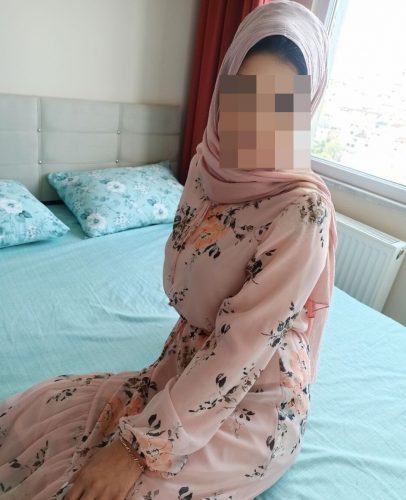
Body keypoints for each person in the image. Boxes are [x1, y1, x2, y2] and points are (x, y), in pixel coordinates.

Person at [0, 1, 337, 498]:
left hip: (257, 397)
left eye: (283, 104)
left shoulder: (302, 212)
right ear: (225, 90)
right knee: (37, 418)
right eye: (248, 95)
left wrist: (137, 449)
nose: (259, 124)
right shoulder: (206, 167)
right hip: (186, 360)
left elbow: (241, 349)